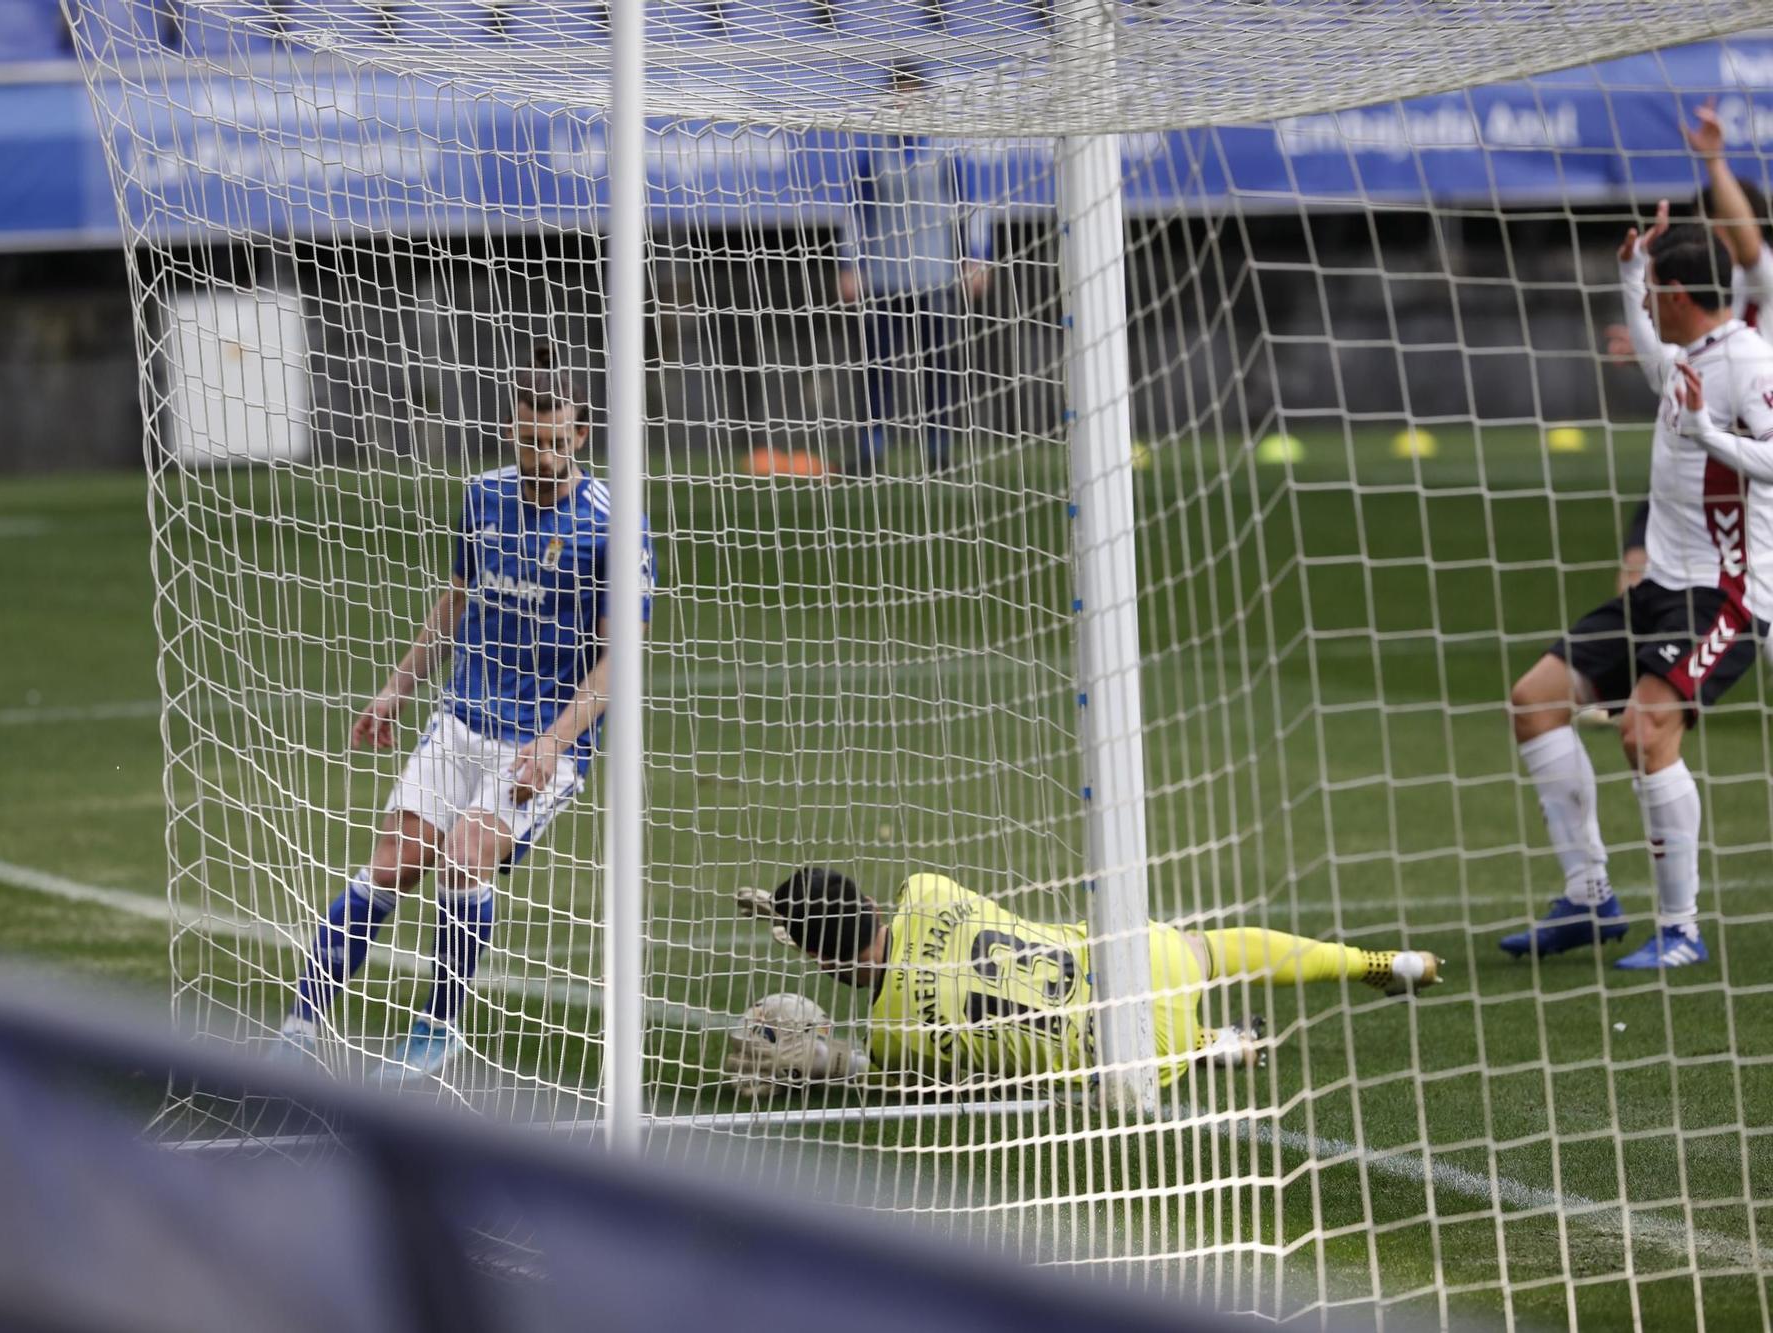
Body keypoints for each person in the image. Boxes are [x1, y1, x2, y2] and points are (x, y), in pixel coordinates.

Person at [280, 343, 654, 1081]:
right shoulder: (483, 495)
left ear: (580, 436)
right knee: (393, 864)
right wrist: (396, 687)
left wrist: (552, 745)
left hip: (540, 738)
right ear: (511, 431)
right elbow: (453, 603)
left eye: (554, 441)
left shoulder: (612, 525)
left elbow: (622, 659)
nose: (539, 455)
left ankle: (436, 1028)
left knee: (464, 859)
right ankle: (299, 1026)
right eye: (526, 439)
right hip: (461, 716)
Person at [1504, 218, 1773, 968]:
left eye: (1655, 289)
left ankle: (1681, 928)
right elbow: (1659, 363)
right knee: (1535, 700)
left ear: (1682, 293)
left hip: (1724, 593)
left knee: (1644, 733)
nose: (1648, 304)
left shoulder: (1749, 361)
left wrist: (1706, 434)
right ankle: (1589, 897)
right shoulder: (1693, 353)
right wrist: (1628, 270)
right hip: (1657, 587)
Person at [731, 869, 1440, 1092]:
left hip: (1130, 1056)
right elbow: (851, 921)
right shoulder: (926, 890)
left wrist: (816, 1059)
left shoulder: (890, 1036)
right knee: (1211, 949)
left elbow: (880, 1067)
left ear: (820, 961)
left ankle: (1208, 1043)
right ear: (874, 904)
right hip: (1136, 960)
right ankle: (1382, 963)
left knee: (1014, 1061)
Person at [1601, 102, 1773, 608]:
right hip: (1695, 449)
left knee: (1748, 614)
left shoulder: (1760, 279)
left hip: (1749, 452)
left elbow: (1747, 245)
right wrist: (1654, 352)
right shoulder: (1707, 295)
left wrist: (1714, 161)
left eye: (1714, 222)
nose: (1706, 235)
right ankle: (1649, 682)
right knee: (1639, 573)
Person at [838, 61, 992, 477]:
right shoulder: (873, 156)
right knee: (878, 367)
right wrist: (850, 264)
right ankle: (872, 450)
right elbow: (855, 214)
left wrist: (976, 257)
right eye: (897, 94)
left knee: (937, 366)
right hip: (884, 278)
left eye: (911, 94)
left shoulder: (945, 152)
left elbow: (972, 208)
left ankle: (939, 451)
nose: (904, 102)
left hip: (935, 276)